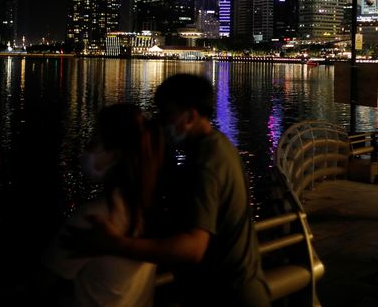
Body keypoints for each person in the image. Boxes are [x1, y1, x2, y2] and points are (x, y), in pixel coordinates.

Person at [64, 74, 270, 306]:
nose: (160, 122)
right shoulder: (219, 146)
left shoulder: (208, 161)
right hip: (236, 289)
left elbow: (193, 248)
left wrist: (115, 244)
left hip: (228, 295)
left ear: (190, 116)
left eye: (166, 113)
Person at [44, 104, 164, 306]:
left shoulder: (93, 217)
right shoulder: (147, 211)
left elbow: (43, 280)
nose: (87, 148)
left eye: (94, 141)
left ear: (115, 155)